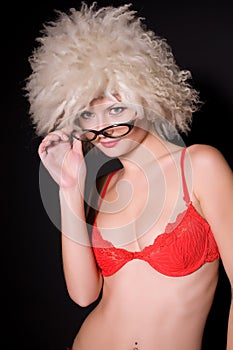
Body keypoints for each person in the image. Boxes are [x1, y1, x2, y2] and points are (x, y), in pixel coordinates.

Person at [24, 2, 233, 349]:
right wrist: (70, 188)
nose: (102, 127)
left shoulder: (200, 166)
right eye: (88, 115)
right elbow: (83, 295)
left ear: (149, 98)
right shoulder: (106, 189)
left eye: (116, 108)